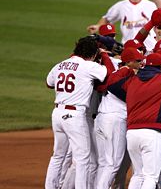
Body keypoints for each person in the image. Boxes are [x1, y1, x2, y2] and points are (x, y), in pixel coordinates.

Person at [107, 53, 161, 189]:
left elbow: (111, 84)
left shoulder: (131, 81)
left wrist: (126, 68)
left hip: (131, 134)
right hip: (151, 134)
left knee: (138, 175)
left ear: (144, 65)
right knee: (151, 177)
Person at [45, 37, 113, 189]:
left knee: (58, 156)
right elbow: (108, 73)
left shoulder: (60, 64)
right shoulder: (88, 66)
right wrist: (104, 55)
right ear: (93, 54)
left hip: (57, 113)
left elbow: (49, 83)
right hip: (74, 116)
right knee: (83, 158)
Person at [94, 48, 145, 189]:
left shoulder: (121, 71)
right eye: (138, 61)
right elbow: (113, 85)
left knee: (105, 163)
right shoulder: (126, 71)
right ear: (128, 62)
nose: (141, 63)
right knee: (113, 163)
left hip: (102, 118)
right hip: (114, 120)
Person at [87, 0, 157, 48]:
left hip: (148, 46)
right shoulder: (121, 5)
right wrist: (98, 26)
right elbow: (107, 18)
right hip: (128, 46)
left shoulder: (151, 5)